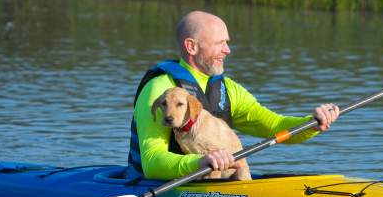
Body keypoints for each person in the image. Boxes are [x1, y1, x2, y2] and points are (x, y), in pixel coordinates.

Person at [127, 10, 340, 180]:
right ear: (191, 46)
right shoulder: (161, 91)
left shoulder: (228, 89)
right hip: (157, 188)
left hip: (214, 182)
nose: (228, 50)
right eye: (220, 43)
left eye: (227, 43)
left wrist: (313, 123)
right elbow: (152, 162)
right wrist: (200, 163)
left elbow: (275, 126)